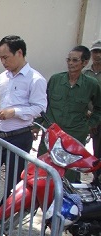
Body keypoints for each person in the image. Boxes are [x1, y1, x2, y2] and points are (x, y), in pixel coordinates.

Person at [39, 45, 101, 182]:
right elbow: (43, 104)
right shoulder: (56, 80)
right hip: (52, 135)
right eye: (69, 60)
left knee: (69, 176)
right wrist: (37, 126)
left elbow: (99, 108)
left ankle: (64, 203)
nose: (71, 63)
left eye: (75, 60)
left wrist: (89, 125)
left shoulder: (91, 84)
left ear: (84, 63)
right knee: (43, 171)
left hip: (74, 136)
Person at [0, 35, 47, 200]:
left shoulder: (35, 79)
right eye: (0, 58)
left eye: (5, 57)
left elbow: (40, 108)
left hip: (18, 137)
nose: (3, 62)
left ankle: (2, 219)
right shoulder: (2, 77)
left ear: (19, 53)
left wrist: (14, 112)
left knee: (12, 183)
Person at [84, 39, 101, 181]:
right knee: (94, 151)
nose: (98, 55)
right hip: (88, 119)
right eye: (95, 51)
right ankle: (96, 179)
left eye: (100, 52)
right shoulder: (85, 73)